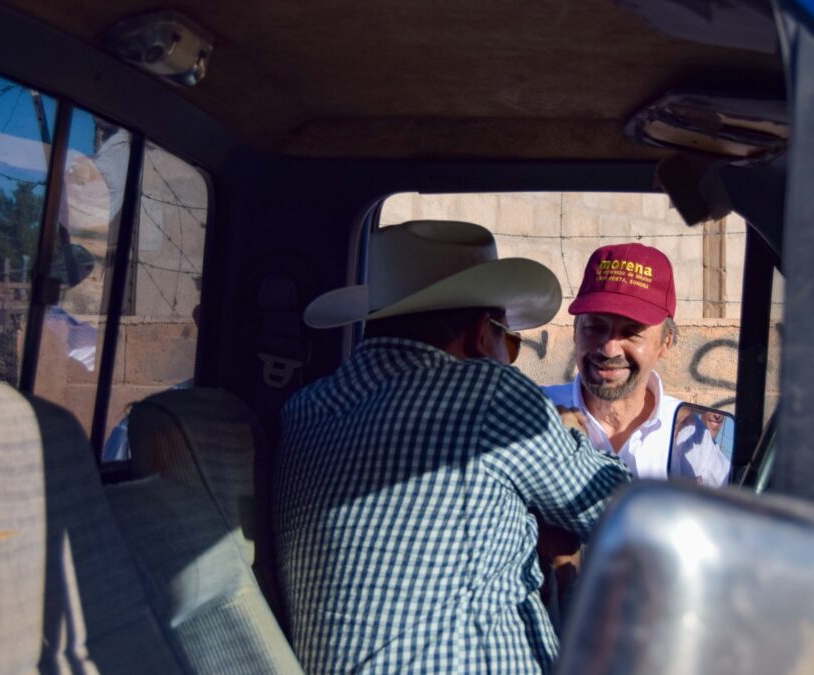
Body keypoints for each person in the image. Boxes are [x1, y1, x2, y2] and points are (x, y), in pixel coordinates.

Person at [274, 220, 632, 674]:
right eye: (511, 341)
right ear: (483, 334)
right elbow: (622, 511)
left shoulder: (305, 409)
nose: (510, 356)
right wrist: (571, 435)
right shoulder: (490, 393)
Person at [543, 242, 730, 486]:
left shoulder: (687, 436)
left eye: (632, 332)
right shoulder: (536, 414)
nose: (610, 348)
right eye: (594, 328)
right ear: (575, 331)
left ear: (666, 342)